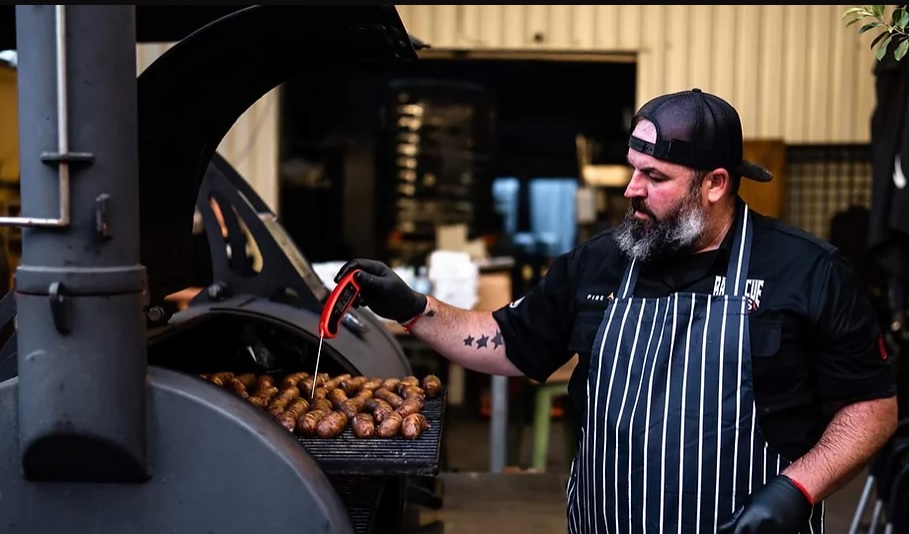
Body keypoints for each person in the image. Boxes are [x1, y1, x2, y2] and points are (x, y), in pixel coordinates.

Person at [334, 88, 899, 533]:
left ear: (716, 184)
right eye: (633, 168)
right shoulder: (600, 262)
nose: (632, 189)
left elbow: (873, 406)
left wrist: (795, 491)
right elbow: (509, 340)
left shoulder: (807, 271)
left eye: (655, 177)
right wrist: (413, 307)